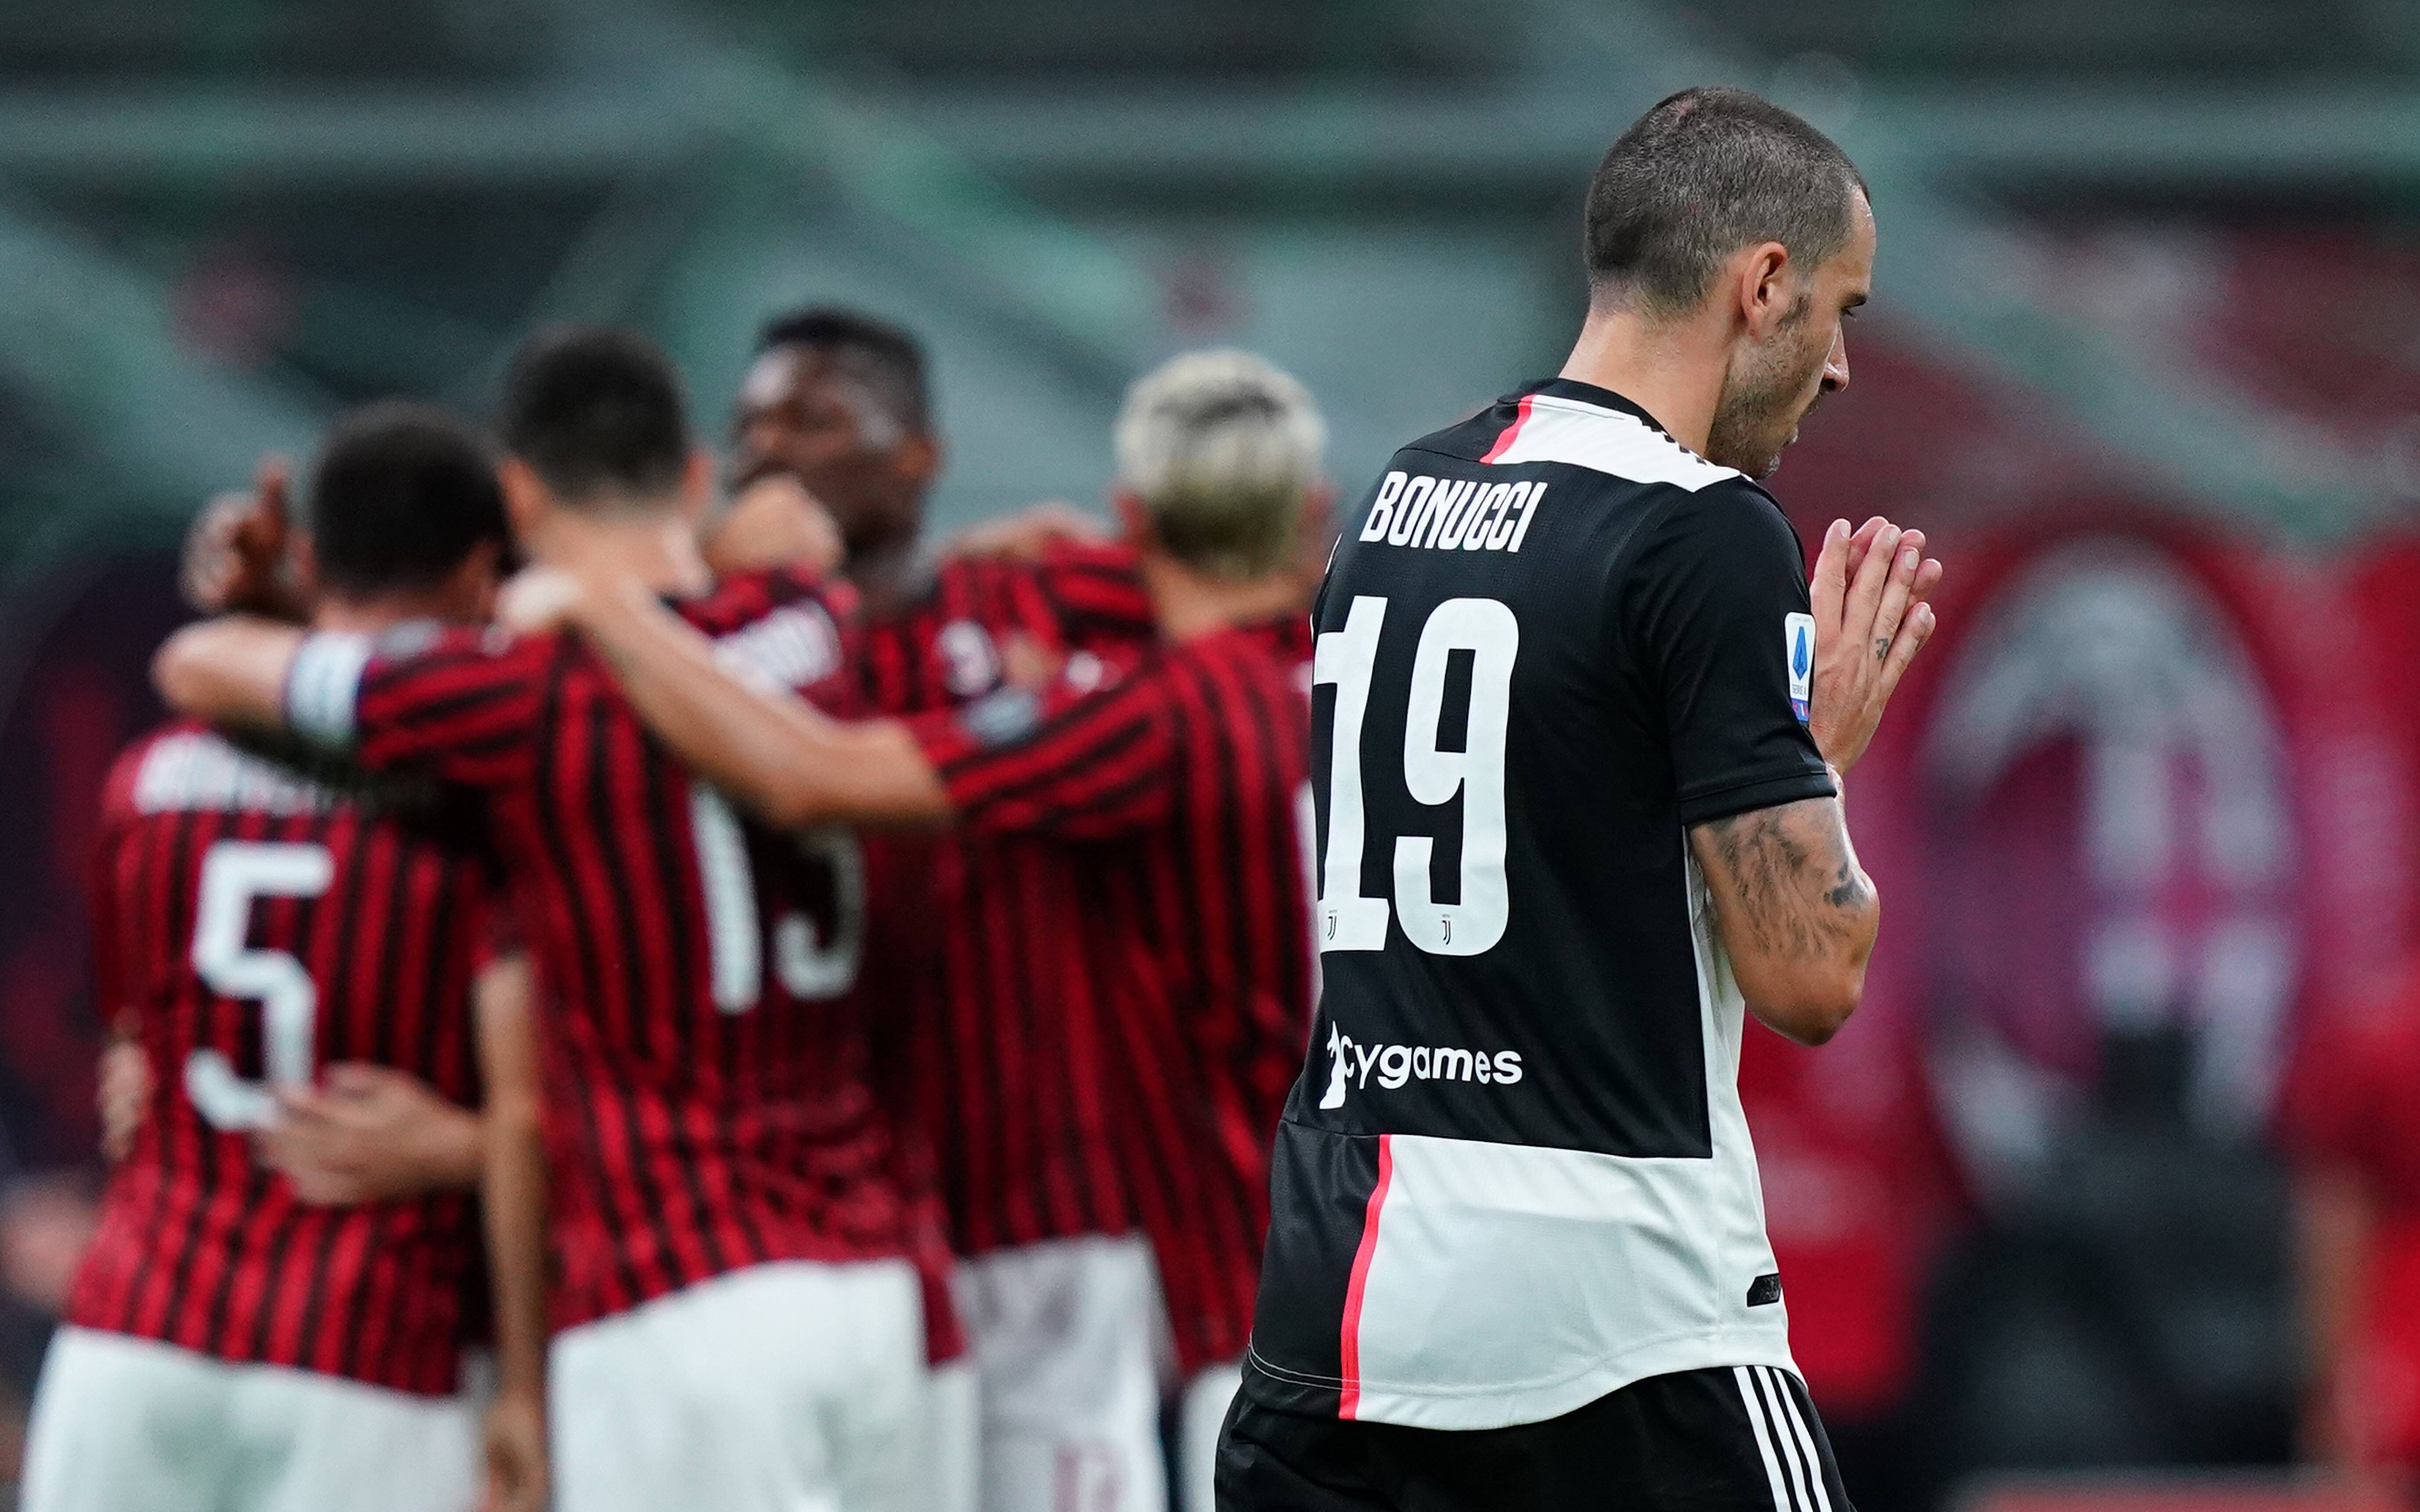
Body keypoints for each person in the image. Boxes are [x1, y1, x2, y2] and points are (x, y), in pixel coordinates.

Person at [1210, 86, 1943, 1512]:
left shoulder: (1401, 501)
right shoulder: (1701, 529)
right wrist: (1820, 763)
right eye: (1841, 307)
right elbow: (1809, 974)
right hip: (1613, 1327)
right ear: (1762, 283)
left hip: (1347, 1311)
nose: (1844, 365)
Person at [501, 346, 1327, 1512]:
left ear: (924, 456)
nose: (775, 449)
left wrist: (607, 604)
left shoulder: (1105, 671)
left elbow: (807, 775)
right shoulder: (1316, 669)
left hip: (1057, 1227)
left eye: (820, 418)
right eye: (750, 425)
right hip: (887, 1247)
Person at [152, 327, 939, 1512]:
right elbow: (777, 560)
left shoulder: (511, 693)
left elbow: (205, 666)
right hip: (874, 1301)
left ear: (518, 491)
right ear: (689, 471)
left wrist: (303, 606)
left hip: (677, 1293)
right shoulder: (807, 616)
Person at [23, 402, 547, 1512]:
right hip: (368, 1355)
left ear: (309, 558)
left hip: (134, 1338)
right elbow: (551, 1107)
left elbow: (131, 1056)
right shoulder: (485, 809)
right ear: (483, 578)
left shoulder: (152, 775)